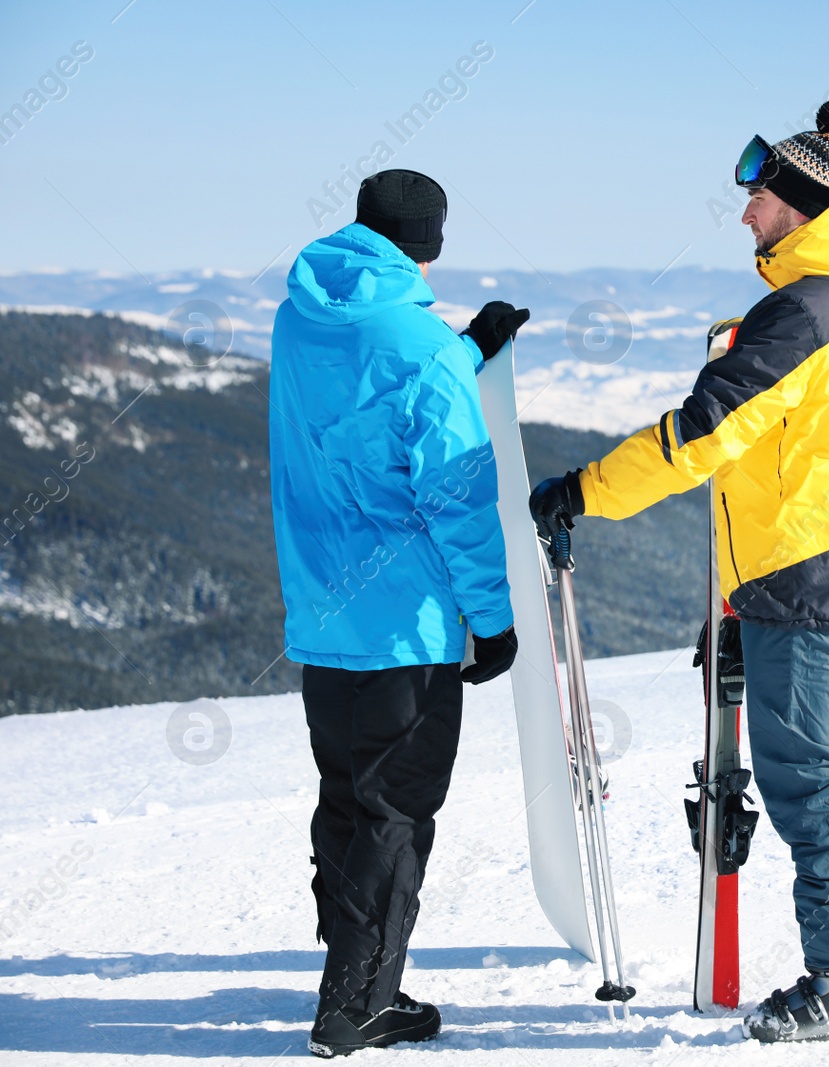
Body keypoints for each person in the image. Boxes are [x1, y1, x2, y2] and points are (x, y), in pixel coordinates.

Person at [530, 100, 829, 1044]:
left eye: (759, 197)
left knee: (812, 778)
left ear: (801, 204)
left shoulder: (804, 311)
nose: (744, 214)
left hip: (810, 571)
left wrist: (582, 490)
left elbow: (699, 435)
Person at [268, 168, 530, 1057]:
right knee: (394, 811)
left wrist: (463, 348)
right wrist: (490, 620)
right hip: (404, 629)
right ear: (432, 244)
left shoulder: (301, 316)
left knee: (346, 801)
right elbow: (458, 497)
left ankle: (355, 979)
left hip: (324, 619)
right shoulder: (417, 347)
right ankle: (355, 1008)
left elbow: (364, 404)